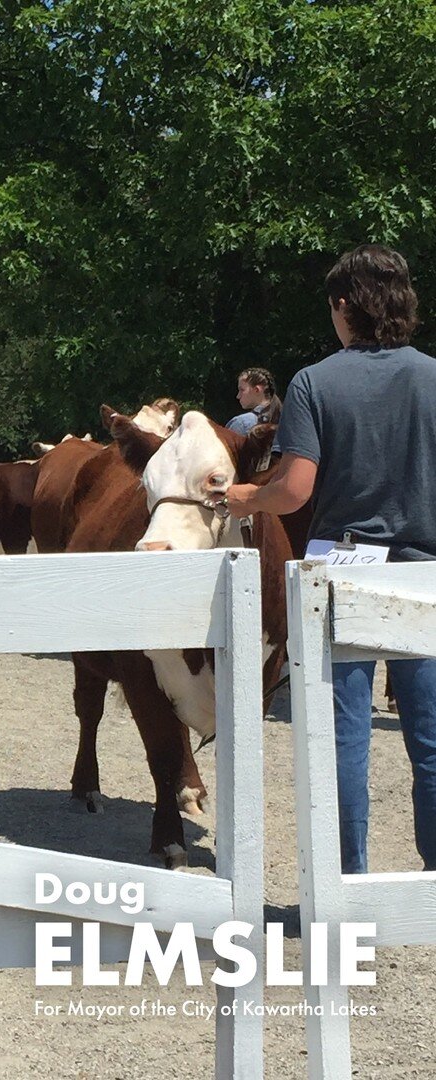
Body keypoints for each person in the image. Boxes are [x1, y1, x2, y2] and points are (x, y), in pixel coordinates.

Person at [225, 243, 436, 875]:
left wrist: (245, 496)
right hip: (424, 571)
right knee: (430, 744)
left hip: (343, 570)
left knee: (346, 741)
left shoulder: (315, 382)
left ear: (345, 306)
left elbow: (293, 491)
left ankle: (346, 883)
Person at [225, 366, 283, 434]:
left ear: (256, 390)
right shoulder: (288, 422)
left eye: (242, 390)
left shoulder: (242, 424)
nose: (238, 396)